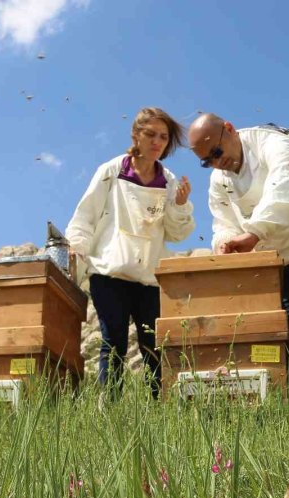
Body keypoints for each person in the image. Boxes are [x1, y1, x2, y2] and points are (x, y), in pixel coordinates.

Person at [188, 114, 289, 398]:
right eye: (207, 161)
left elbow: (285, 187)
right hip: (278, 256)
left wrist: (253, 233)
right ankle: (282, 401)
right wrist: (224, 243)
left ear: (229, 129)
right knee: (279, 328)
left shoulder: (275, 143)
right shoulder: (219, 181)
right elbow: (223, 221)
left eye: (216, 152)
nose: (216, 162)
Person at [67, 107, 194, 398]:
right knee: (114, 344)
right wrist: (78, 251)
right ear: (135, 134)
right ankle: (108, 411)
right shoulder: (111, 171)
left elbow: (176, 233)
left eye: (163, 137)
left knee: (154, 346)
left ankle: (159, 408)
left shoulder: (169, 180)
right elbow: (85, 217)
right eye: (150, 134)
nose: (157, 141)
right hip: (109, 273)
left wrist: (180, 205)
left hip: (149, 278)